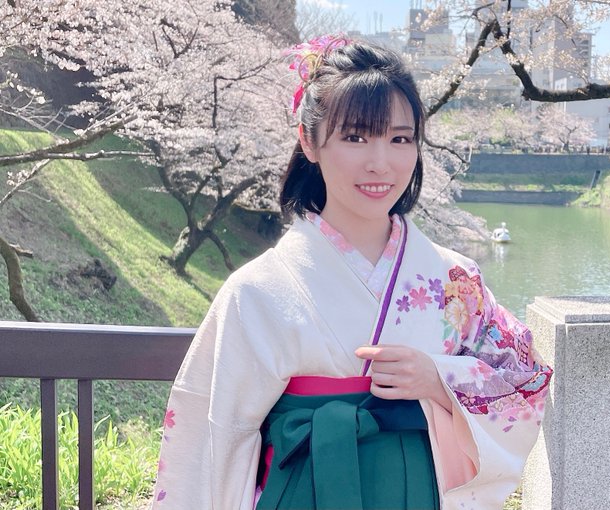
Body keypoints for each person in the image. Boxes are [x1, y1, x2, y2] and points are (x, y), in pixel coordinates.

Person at [151, 35, 552, 510]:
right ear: (309, 141)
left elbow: (526, 379)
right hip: (300, 492)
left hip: (420, 493)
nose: (380, 163)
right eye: (355, 137)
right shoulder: (257, 290)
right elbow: (214, 435)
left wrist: (440, 378)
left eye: (400, 139)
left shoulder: (455, 280)